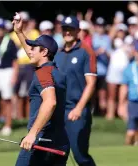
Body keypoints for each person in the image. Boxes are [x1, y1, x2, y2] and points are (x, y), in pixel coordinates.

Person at [13, 13, 70, 166]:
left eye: (33, 48)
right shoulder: (56, 71)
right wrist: (19, 32)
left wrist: (32, 134)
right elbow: (34, 57)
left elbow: (50, 102)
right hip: (60, 142)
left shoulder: (43, 73)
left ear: (44, 52)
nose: (29, 51)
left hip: (41, 143)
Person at [53, 16, 97, 166]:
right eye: (65, 29)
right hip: (58, 111)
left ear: (78, 31)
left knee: (79, 155)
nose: (67, 32)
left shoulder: (85, 52)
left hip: (76, 110)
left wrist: (78, 108)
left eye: (71, 29)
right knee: (57, 155)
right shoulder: (57, 53)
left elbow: (91, 84)